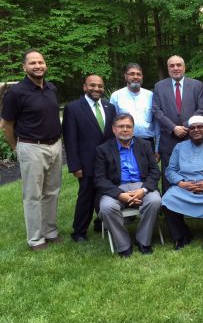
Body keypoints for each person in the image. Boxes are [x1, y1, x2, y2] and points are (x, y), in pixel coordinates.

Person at [1, 49, 63, 251]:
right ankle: (36, 239)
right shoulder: (16, 93)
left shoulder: (51, 88)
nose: (38, 66)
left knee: (52, 192)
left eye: (41, 62)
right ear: (24, 67)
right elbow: (6, 125)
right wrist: (16, 147)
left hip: (55, 145)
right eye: (33, 63)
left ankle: (50, 232)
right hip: (31, 147)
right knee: (33, 194)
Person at [95, 114, 161, 258]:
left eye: (128, 126)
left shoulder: (144, 145)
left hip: (141, 186)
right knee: (106, 207)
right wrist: (120, 194)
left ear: (133, 129)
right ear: (114, 129)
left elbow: (155, 171)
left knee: (155, 200)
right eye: (121, 126)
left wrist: (143, 190)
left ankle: (143, 240)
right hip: (116, 188)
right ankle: (123, 244)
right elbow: (99, 179)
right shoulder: (103, 149)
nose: (125, 129)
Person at [63, 74, 116, 242]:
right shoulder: (73, 108)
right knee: (86, 196)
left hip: (107, 162)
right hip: (86, 163)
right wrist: (75, 166)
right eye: (92, 85)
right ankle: (79, 232)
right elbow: (70, 140)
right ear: (84, 87)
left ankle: (101, 222)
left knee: (105, 194)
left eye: (100, 86)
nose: (97, 89)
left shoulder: (110, 107)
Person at [161, 116, 203, 250]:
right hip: (185, 186)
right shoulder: (179, 147)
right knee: (167, 199)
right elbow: (170, 170)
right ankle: (182, 236)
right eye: (192, 128)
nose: (196, 130)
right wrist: (181, 183)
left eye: (200, 127)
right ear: (189, 130)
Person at [152, 55, 203, 193]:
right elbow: (157, 111)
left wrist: (186, 126)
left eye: (178, 65)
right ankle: (169, 208)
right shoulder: (159, 86)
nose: (175, 68)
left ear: (184, 67)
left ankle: (191, 204)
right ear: (168, 68)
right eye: (172, 65)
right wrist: (174, 128)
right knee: (169, 172)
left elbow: (201, 109)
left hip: (191, 136)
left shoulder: (196, 85)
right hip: (168, 138)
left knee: (191, 171)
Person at [110, 63, 160, 155]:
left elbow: (157, 123)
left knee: (147, 169)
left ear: (142, 76)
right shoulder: (116, 96)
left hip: (147, 143)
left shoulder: (151, 96)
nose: (135, 76)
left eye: (138, 74)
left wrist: (157, 148)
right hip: (123, 141)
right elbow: (112, 122)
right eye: (132, 74)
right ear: (125, 76)